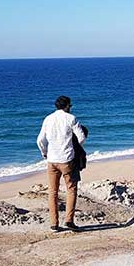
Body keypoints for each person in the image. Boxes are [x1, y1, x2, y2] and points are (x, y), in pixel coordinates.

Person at [36, 95, 87, 232]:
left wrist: (45, 153)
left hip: (51, 159)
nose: (70, 108)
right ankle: (69, 221)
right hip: (67, 159)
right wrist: (74, 148)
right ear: (67, 106)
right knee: (71, 189)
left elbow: (40, 140)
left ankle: (54, 223)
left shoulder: (48, 118)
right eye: (70, 106)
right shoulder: (71, 118)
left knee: (53, 192)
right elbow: (81, 137)